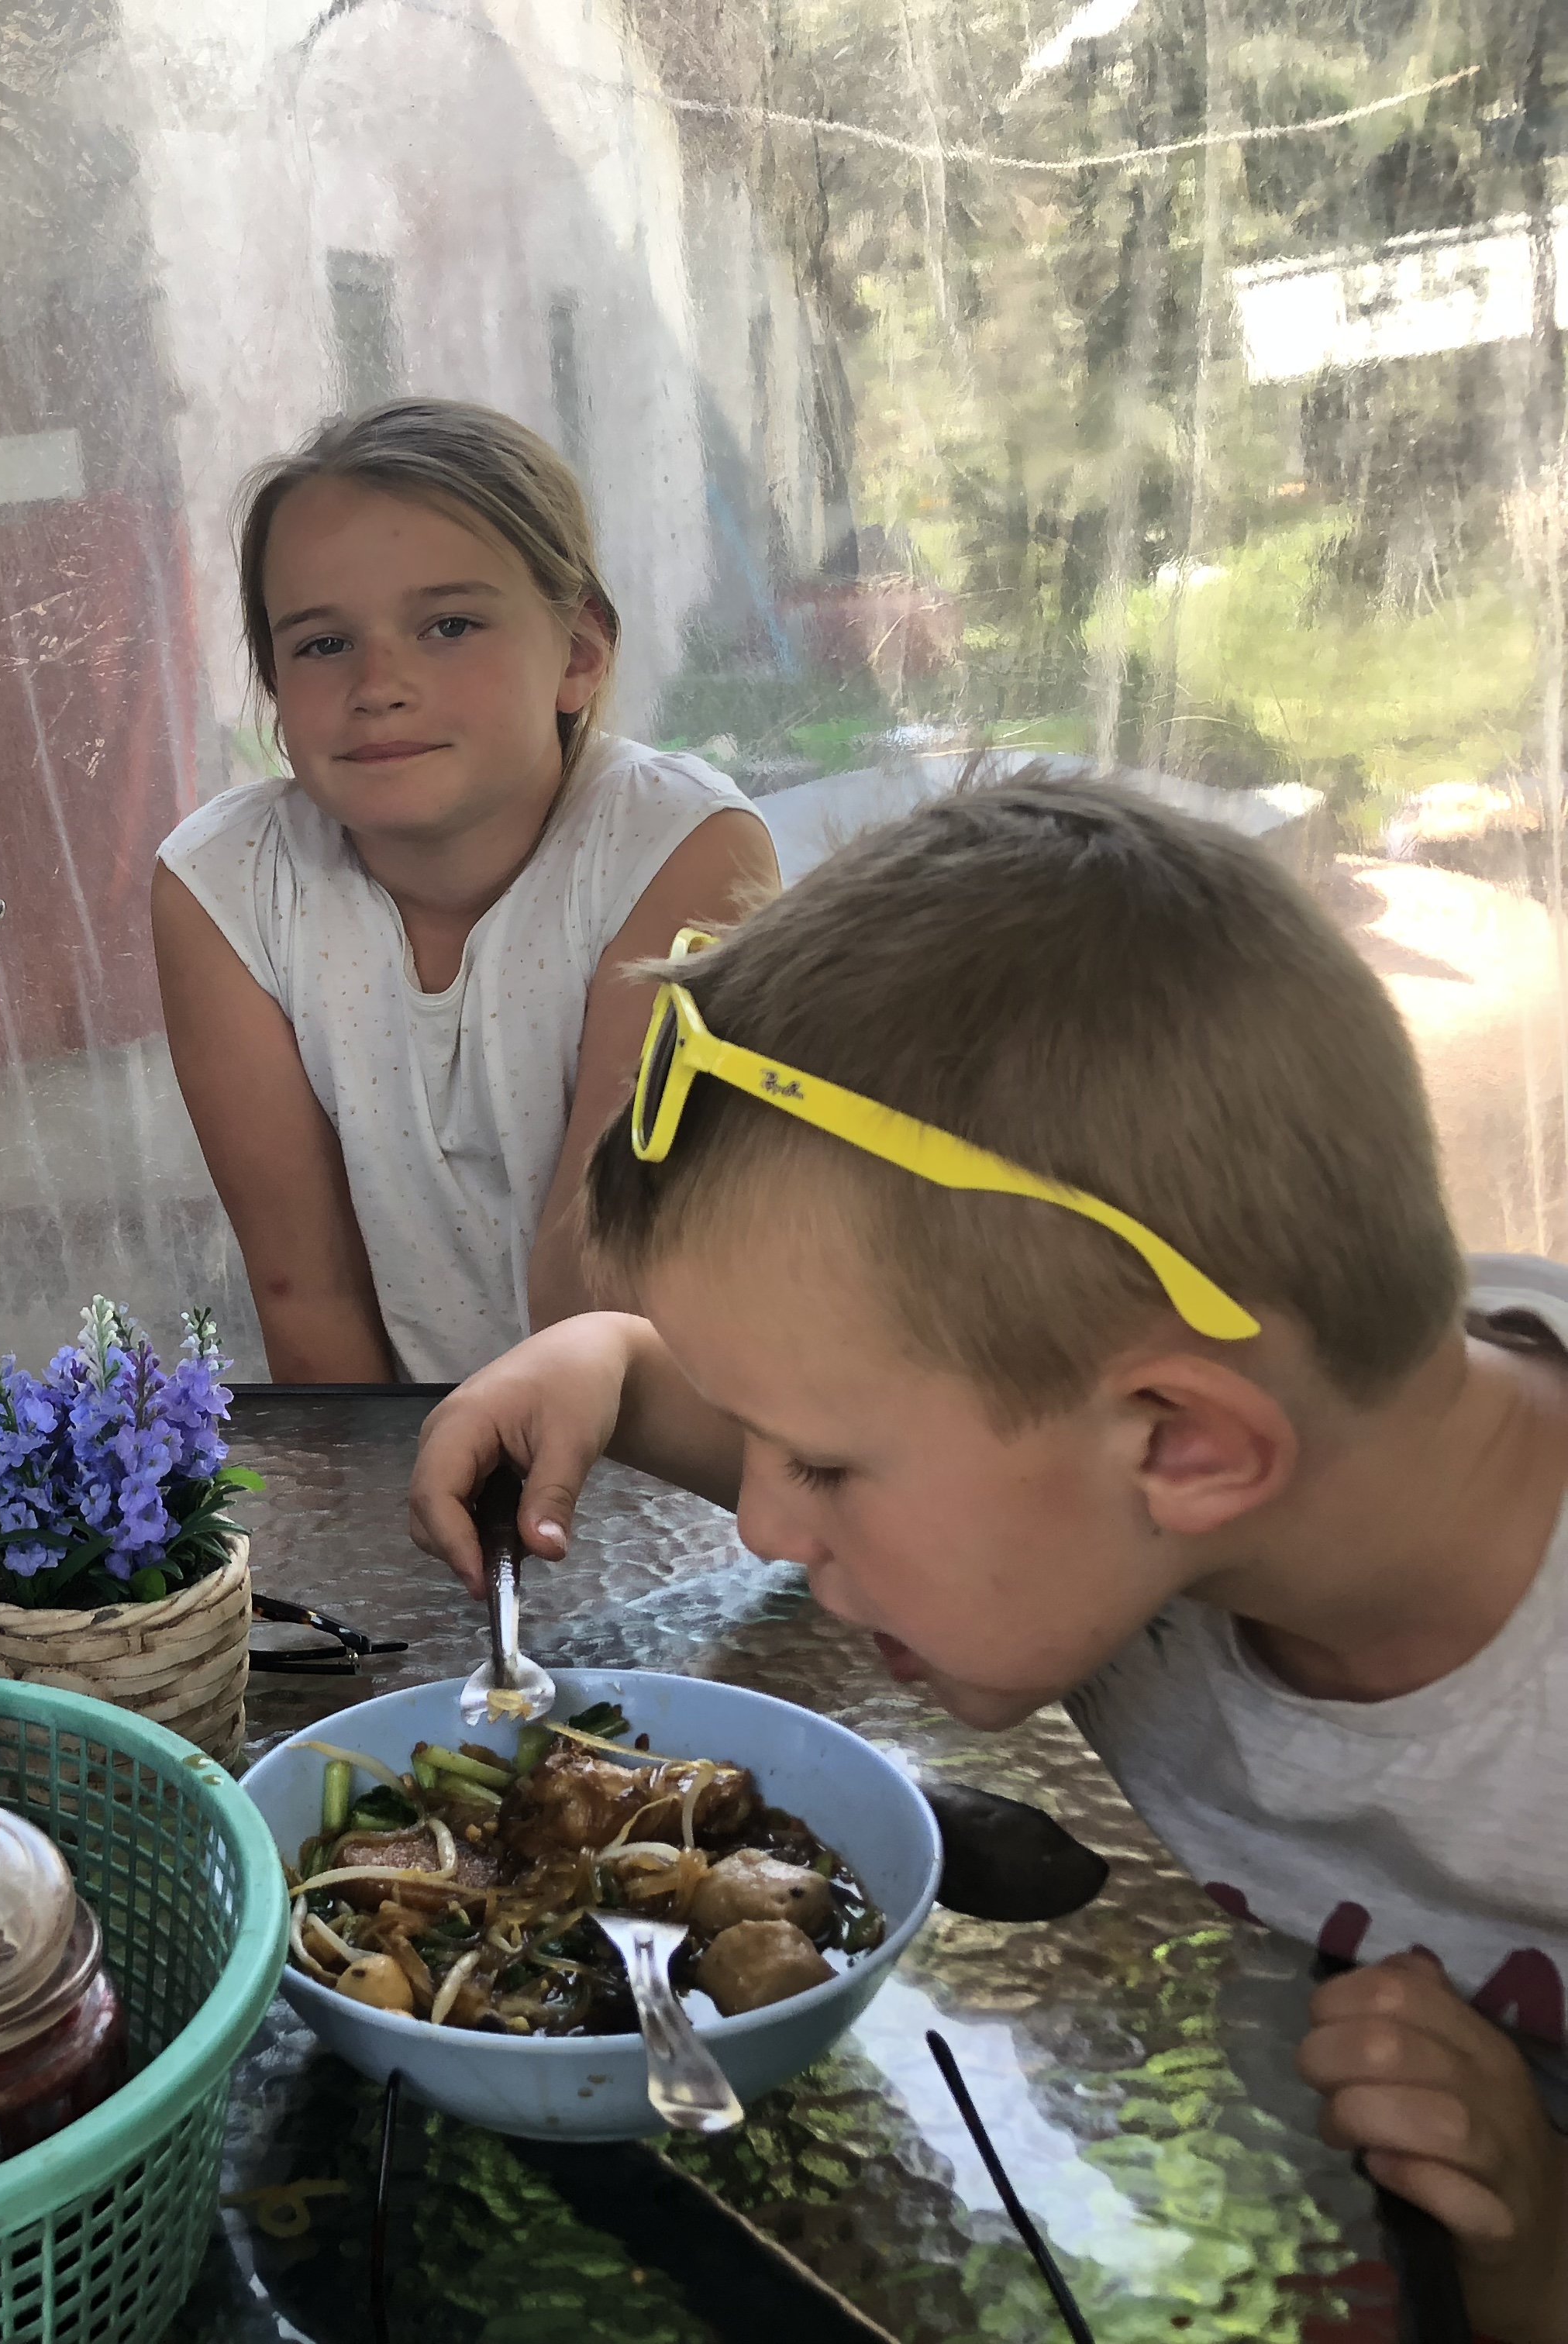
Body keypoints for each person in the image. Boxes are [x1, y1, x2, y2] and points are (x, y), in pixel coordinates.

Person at [408, 781, 1566, 2339]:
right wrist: (608, 1365)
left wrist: (1533, 2236)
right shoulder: (1173, 1452)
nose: (765, 1521)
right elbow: (916, 1413)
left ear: (1186, 1447)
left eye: (821, 1465)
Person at [153, 398, 775, 1383]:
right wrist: (382, 1483)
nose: (379, 684)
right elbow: (306, 1296)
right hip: (395, 1443)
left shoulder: (680, 848)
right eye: (322, 644)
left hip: (649, 1422)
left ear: (579, 653)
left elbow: (602, 1285)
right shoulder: (223, 886)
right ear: (272, 683)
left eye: (449, 625)